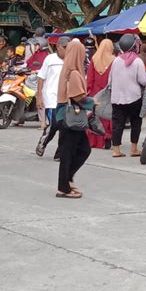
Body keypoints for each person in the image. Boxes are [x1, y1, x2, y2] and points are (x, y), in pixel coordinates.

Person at [55, 40, 95, 199]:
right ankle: (63, 187)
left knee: (73, 151)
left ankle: (67, 181)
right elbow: (77, 97)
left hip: (65, 116)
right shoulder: (74, 73)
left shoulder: (67, 70)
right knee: (74, 152)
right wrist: (93, 102)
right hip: (72, 118)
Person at [109, 34, 146, 158]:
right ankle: (134, 149)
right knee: (136, 122)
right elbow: (143, 80)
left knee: (117, 124)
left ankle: (116, 150)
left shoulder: (116, 60)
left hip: (117, 98)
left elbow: (110, 80)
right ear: (134, 46)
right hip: (134, 97)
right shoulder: (137, 61)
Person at [36, 36, 70, 158]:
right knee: (55, 124)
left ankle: (60, 153)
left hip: (66, 98)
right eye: (65, 47)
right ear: (58, 47)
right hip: (51, 97)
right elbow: (41, 77)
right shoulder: (49, 59)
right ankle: (44, 141)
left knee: (65, 126)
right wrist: (39, 96)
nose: (67, 50)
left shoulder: (70, 60)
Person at [86, 38, 115, 149]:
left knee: (95, 115)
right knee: (107, 115)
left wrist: (88, 90)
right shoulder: (114, 60)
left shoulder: (94, 59)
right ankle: (106, 138)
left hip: (95, 92)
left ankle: (94, 141)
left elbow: (90, 78)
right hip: (108, 92)